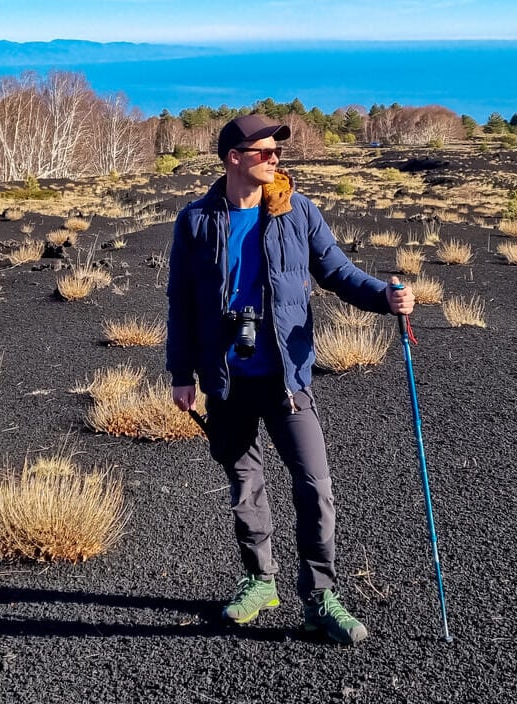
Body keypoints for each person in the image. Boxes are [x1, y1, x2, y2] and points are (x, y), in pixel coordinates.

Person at [166, 114, 415, 645]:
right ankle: (259, 581)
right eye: (265, 152)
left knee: (315, 487)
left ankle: (321, 597)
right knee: (244, 485)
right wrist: (181, 374)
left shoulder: (297, 211)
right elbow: (181, 304)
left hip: (286, 377)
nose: (277, 159)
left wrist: (384, 298)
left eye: (278, 151)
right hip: (225, 379)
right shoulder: (195, 221)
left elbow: (338, 272)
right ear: (234, 157)